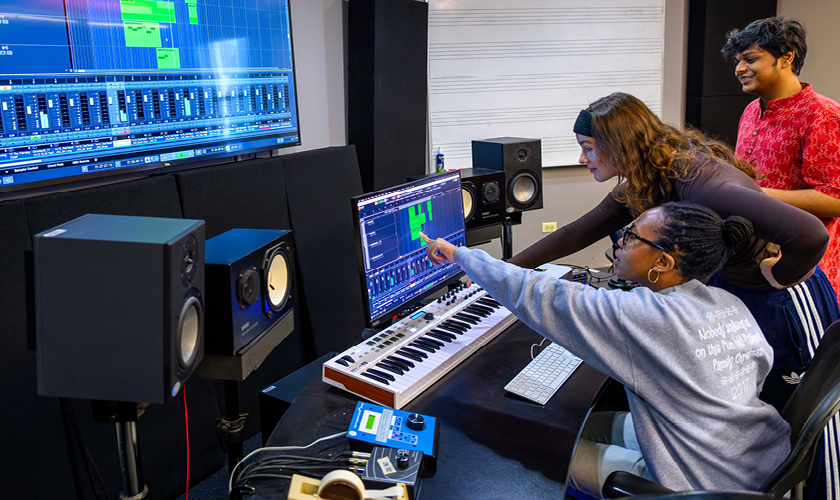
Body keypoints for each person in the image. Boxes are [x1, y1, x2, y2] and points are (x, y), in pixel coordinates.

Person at [419, 201, 791, 497]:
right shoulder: (727, 302)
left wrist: (459, 255)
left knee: (529, 446)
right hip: (759, 458)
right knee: (581, 424)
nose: (621, 243)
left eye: (632, 237)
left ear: (663, 262)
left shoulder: (648, 317)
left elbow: (540, 295)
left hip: (700, 482)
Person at [507, 92, 839, 415]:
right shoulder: (650, 177)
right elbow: (575, 234)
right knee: (754, 404)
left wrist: (782, 275)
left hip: (783, 301)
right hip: (740, 291)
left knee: (794, 412)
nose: (582, 159)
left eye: (588, 149)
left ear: (617, 145)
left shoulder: (699, 181)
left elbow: (811, 234)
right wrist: (501, 270)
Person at [721, 16, 840, 305]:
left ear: (786, 57)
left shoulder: (822, 114)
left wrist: (754, 196)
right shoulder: (751, 110)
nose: (739, 69)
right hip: (750, 260)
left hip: (801, 268)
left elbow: (835, 200)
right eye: (737, 61)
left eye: (750, 59)